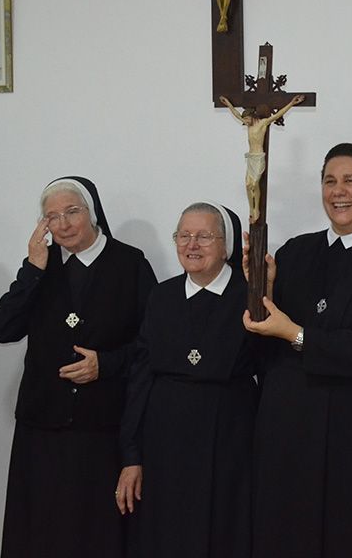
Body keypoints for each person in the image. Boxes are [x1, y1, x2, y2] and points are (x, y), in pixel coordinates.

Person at [243, 143, 352, 558]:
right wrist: (262, 292)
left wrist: (297, 334)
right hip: (290, 431)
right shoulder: (295, 251)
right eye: (329, 181)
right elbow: (263, 340)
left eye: (350, 180)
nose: (338, 191)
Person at [0, 176, 156, 558]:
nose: (62, 224)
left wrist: (107, 364)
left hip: (102, 430)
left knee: (94, 535)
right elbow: (2, 329)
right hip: (42, 428)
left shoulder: (130, 263)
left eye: (71, 212)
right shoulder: (41, 266)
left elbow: (152, 345)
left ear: (92, 213)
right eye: (52, 217)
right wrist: (32, 270)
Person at [117, 202, 256, 557]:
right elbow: (141, 377)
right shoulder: (161, 296)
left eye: (204, 236)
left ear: (226, 247)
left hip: (230, 444)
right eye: (183, 235)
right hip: (165, 447)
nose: (191, 245)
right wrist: (132, 455)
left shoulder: (251, 297)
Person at [220, 93, 305, 222]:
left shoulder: (262, 123)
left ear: (252, 117)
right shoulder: (248, 125)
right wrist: (228, 104)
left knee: (255, 183)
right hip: (251, 157)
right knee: (248, 184)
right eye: (244, 120)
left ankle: (257, 209)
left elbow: (277, 115)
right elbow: (237, 114)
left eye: (247, 119)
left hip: (259, 157)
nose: (245, 122)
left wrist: (292, 103)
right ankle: (251, 209)